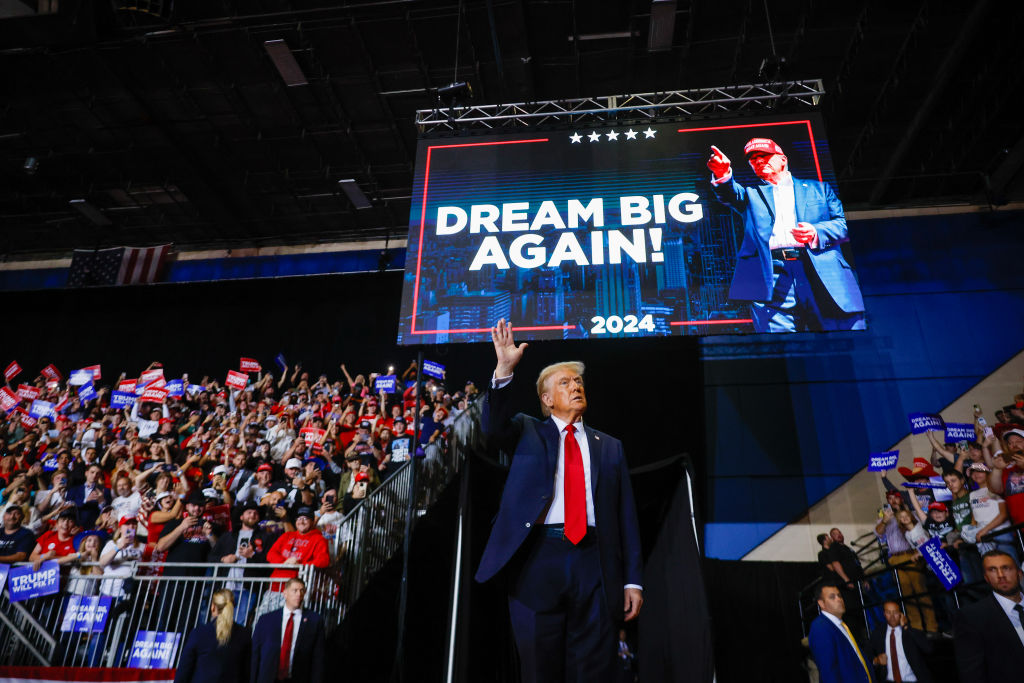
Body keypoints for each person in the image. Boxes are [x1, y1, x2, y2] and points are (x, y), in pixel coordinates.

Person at [475, 319, 643, 683]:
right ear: (547, 400)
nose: (576, 386)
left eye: (579, 381)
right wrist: (503, 370)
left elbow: (626, 517)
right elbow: (492, 429)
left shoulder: (610, 447)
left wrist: (633, 581)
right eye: (565, 382)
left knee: (596, 666)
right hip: (538, 557)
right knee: (539, 664)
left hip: (594, 559)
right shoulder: (527, 430)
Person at [707, 138, 865, 332]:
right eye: (753, 159)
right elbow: (729, 192)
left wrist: (816, 231)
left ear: (783, 159)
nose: (757, 160)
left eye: (764, 155)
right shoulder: (751, 194)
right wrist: (722, 173)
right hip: (771, 274)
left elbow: (844, 224)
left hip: (821, 270)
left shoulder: (820, 189)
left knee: (843, 335)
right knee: (780, 345)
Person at [952, 549, 1024, 681]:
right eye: (992, 570)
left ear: (1019, 573)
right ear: (986, 578)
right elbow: (972, 675)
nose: (1001, 575)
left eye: (1006, 568)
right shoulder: (971, 617)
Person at [250, 577, 325, 683]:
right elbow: (255, 652)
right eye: (295, 590)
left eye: (302, 590)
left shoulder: (315, 621)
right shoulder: (266, 619)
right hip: (268, 678)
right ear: (285, 593)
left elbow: (318, 658)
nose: (299, 594)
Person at [175, 589, 251, 683]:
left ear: (213, 607)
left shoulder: (199, 633)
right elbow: (246, 673)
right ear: (233, 607)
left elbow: (183, 671)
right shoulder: (245, 635)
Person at [808, 582, 875, 683]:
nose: (838, 599)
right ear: (821, 603)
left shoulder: (841, 625)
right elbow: (829, 673)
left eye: (839, 595)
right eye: (832, 597)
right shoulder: (820, 627)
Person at [869, 601, 934, 683]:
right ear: (884, 614)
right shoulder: (878, 633)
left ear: (901, 614)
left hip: (912, 680)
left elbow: (928, 649)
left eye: (895, 612)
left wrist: (906, 627)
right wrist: (876, 660)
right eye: (888, 612)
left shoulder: (910, 631)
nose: (892, 616)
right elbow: (867, 655)